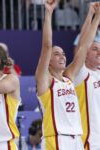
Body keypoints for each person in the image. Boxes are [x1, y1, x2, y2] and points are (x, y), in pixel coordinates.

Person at [35, 0, 100, 150]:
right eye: (56, 54)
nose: (62, 56)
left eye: (63, 54)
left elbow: (84, 46)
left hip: (76, 138)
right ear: (48, 61)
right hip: (56, 139)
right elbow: (46, 46)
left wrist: (97, 18)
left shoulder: (68, 77)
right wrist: (49, 13)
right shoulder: (45, 80)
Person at [73, 3, 100, 149]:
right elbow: (83, 44)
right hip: (88, 142)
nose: (99, 52)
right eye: (95, 49)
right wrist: (92, 15)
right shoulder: (82, 73)